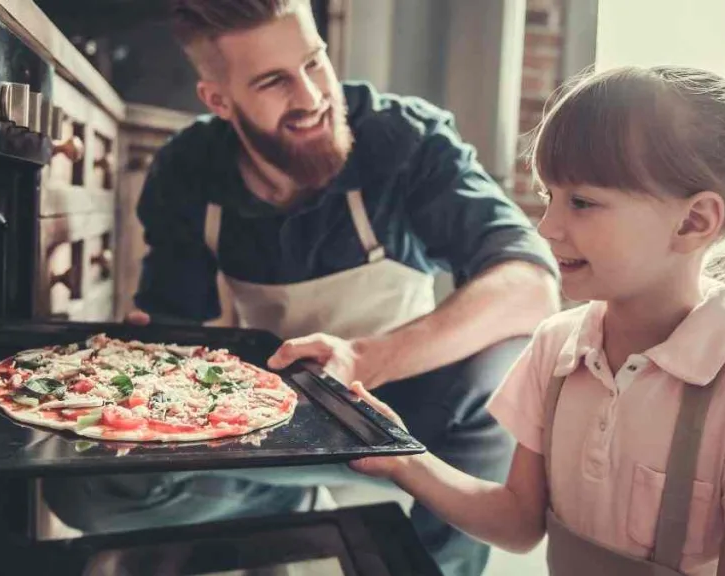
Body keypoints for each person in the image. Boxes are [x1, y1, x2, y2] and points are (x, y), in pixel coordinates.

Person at [41, 1, 559, 575]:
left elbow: (530, 285)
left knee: (495, 373)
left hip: (402, 419)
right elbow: (170, 321)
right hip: (268, 420)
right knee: (84, 492)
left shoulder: (406, 142)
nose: (311, 97)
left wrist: (367, 357)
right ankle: (281, 507)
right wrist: (144, 356)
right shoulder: (187, 171)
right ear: (218, 100)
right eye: (273, 82)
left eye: (315, 63)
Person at [347, 65, 725, 575]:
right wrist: (402, 457)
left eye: (581, 202)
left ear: (694, 222)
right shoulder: (555, 346)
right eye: (547, 196)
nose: (547, 227)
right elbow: (517, 522)